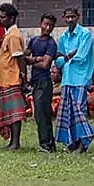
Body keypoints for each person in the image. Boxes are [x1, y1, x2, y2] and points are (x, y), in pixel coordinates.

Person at [54, 8, 94, 153]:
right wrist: (67, 57)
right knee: (68, 112)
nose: (70, 20)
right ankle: (73, 142)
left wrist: (66, 58)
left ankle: (84, 141)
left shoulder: (85, 34)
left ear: (78, 17)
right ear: (64, 18)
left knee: (79, 110)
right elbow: (58, 61)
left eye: (73, 17)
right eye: (67, 17)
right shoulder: (64, 37)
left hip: (81, 78)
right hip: (67, 79)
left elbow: (81, 55)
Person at [0, 3, 28, 149]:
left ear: (12, 18)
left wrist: (23, 76)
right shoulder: (8, 34)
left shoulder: (14, 36)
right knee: (9, 112)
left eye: (3, 17)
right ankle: (12, 141)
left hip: (12, 78)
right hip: (4, 78)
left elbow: (19, 57)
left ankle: (15, 142)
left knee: (15, 113)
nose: (0, 20)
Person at [26, 13, 59, 153]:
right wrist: (36, 59)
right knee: (39, 114)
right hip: (35, 81)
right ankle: (48, 143)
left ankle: (46, 144)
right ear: (40, 24)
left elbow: (46, 64)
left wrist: (33, 60)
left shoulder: (51, 43)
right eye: (45, 24)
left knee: (42, 113)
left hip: (45, 82)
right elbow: (24, 56)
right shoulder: (34, 40)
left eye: (51, 25)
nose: (48, 27)